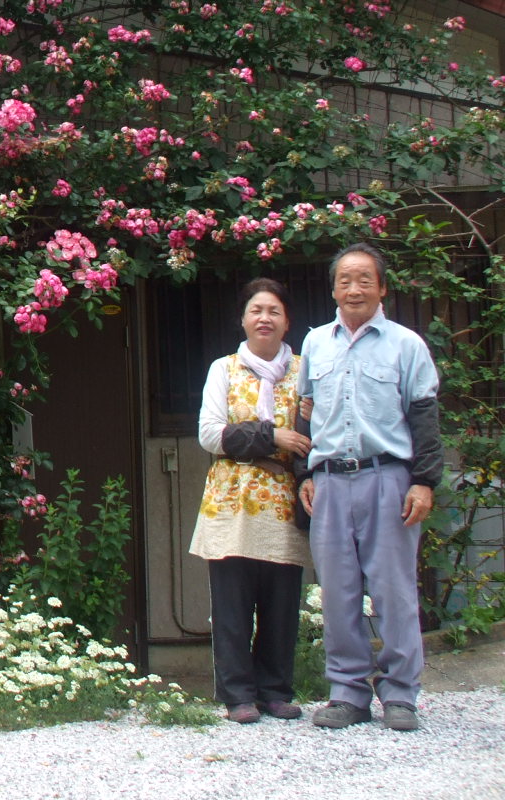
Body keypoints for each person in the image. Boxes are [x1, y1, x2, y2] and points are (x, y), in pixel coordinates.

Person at [297, 243, 442, 732]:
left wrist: (423, 482)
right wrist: (306, 474)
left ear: (382, 287)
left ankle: (401, 694)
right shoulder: (316, 343)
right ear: (333, 288)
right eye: (344, 280)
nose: (354, 288)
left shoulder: (407, 345)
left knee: (394, 591)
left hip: (389, 479)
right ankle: (348, 693)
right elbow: (306, 414)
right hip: (331, 482)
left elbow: (424, 419)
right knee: (337, 594)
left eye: (364, 279)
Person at [189, 278, 313, 723]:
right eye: (256, 310)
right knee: (232, 602)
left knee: (281, 602)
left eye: (274, 311)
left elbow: (314, 435)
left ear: (287, 321)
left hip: (283, 498)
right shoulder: (223, 370)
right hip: (231, 500)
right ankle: (238, 695)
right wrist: (271, 435)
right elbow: (209, 435)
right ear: (243, 319)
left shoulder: (305, 370)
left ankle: (275, 690)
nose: (265, 318)